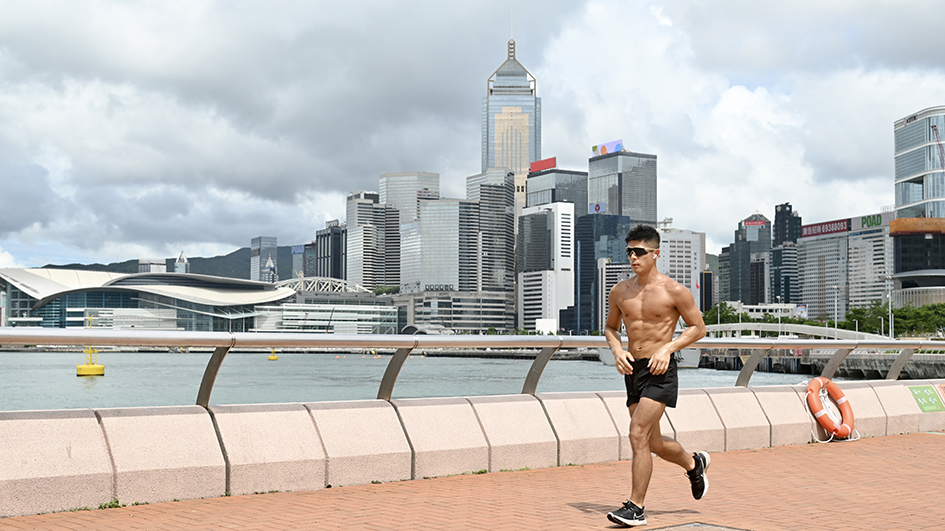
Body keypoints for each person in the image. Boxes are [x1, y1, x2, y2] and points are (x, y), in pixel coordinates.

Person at [604, 224, 709, 527]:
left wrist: (668, 348)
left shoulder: (674, 290)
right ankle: (694, 463)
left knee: (637, 433)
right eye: (629, 252)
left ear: (655, 253)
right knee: (653, 443)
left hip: (660, 370)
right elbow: (610, 328)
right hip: (633, 369)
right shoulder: (620, 290)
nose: (633, 257)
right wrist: (617, 350)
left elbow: (697, 328)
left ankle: (635, 508)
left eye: (639, 252)